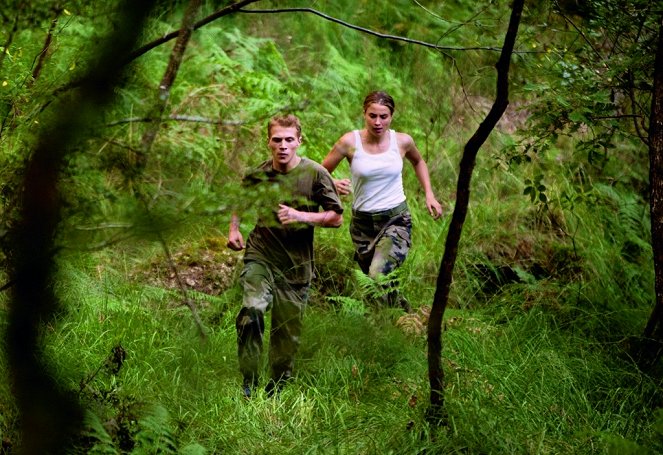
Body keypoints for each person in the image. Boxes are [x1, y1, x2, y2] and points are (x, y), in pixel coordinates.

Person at [227, 114, 344, 398]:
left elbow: (336, 217)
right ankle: (249, 381)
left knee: (286, 334)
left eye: (289, 140)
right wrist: (234, 229)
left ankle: (276, 389)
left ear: (299, 141)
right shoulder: (258, 174)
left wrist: (299, 215)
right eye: (277, 139)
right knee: (251, 311)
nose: (283, 145)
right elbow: (240, 202)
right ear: (268, 142)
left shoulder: (315, 174)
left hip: (297, 266)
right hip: (261, 254)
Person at [321, 91, 443, 311]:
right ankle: (408, 320)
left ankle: (375, 331)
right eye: (372, 116)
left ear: (392, 116)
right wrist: (333, 182)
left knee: (376, 277)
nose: (378, 122)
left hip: (395, 220)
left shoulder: (402, 141)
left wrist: (429, 194)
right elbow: (320, 172)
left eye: (383, 116)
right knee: (382, 283)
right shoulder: (349, 141)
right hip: (362, 225)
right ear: (364, 114)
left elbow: (419, 161)